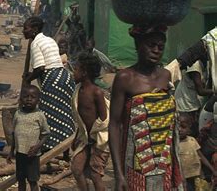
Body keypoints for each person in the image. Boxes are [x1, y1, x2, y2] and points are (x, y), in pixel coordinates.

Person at [109, 25, 184, 190]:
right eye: (151, 45)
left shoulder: (165, 76)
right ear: (138, 46)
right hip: (136, 165)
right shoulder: (125, 78)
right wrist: (118, 174)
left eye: (161, 47)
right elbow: (114, 125)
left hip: (165, 163)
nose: (156, 50)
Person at [22, 16, 75, 151]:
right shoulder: (49, 39)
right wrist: (31, 75)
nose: (23, 31)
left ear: (34, 29)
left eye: (26, 28)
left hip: (54, 80)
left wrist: (28, 79)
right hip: (65, 77)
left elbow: (40, 68)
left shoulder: (35, 43)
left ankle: (49, 147)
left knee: (48, 114)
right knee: (64, 115)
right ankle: (66, 148)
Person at [71, 52, 109, 191]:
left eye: (76, 69)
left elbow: (104, 120)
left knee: (95, 174)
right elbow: (81, 120)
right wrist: (77, 137)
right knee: (76, 168)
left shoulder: (96, 92)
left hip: (100, 140)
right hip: (85, 139)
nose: (73, 73)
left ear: (84, 72)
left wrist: (95, 137)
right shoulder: (78, 90)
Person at [7, 85, 50, 191]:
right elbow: (14, 133)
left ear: (38, 100)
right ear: (21, 98)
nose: (29, 99)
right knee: (21, 180)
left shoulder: (39, 115)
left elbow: (46, 134)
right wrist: (11, 151)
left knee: (32, 181)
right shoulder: (18, 114)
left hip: (33, 155)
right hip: (20, 154)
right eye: (26, 96)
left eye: (33, 97)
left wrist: (37, 147)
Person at [178, 113, 216, 191]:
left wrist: (213, 170)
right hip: (183, 177)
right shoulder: (175, 144)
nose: (179, 129)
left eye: (183, 127)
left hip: (196, 175)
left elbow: (201, 156)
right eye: (177, 126)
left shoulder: (192, 140)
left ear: (189, 129)